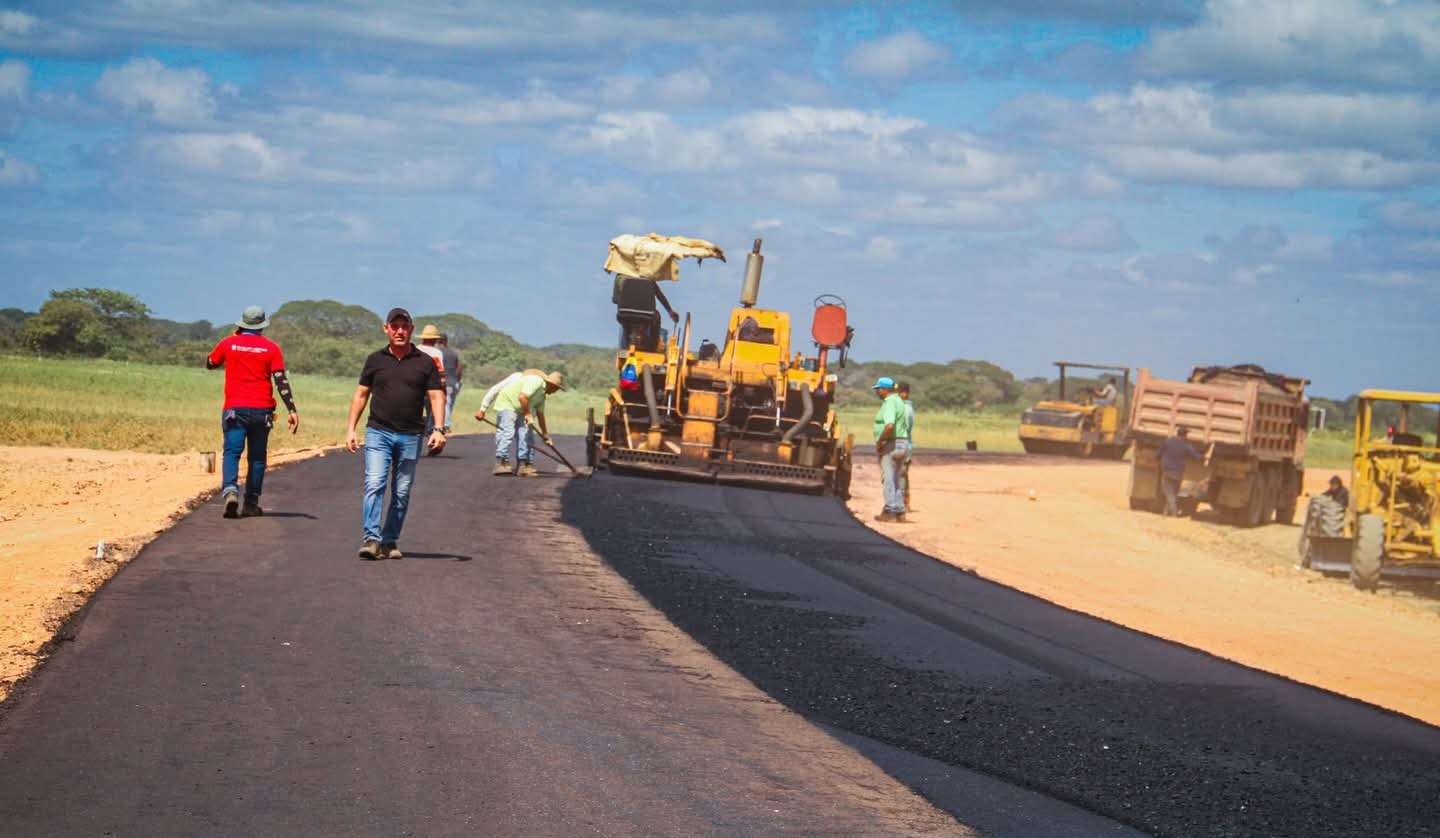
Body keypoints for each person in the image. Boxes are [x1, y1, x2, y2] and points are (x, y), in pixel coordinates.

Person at [345, 308, 446, 560]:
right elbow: (360, 395)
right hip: (378, 431)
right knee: (375, 483)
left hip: (411, 435)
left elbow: (436, 395)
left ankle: (389, 540)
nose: (399, 331)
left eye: (404, 326)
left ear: (411, 330)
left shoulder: (424, 362)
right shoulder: (375, 360)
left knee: (401, 491)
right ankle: (371, 538)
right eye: (394, 326)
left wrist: (439, 428)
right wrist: (350, 429)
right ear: (386, 329)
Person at [206, 305, 299, 519]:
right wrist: (291, 409)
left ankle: (230, 490)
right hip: (262, 411)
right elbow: (281, 381)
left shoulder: (228, 343)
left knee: (232, 452)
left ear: (241, 323)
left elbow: (210, 363)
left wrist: (233, 339)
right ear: (262, 326)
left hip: (234, 410)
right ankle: (251, 503)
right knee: (257, 458)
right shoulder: (272, 348)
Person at [477, 369, 565, 477]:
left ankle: (522, 464)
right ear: (553, 385)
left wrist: (545, 435)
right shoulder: (536, 381)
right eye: (556, 389)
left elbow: (540, 414)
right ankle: (501, 461)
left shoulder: (542, 395)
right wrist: (528, 415)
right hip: (507, 403)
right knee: (508, 432)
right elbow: (522, 397)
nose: (555, 391)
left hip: (520, 409)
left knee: (525, 433)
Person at [871, 376, 911, 523]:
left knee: (888, 479)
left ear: (884, 390)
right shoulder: (900, 401)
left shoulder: (889, 403)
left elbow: (889, 426)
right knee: (897, 478)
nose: (877, 392)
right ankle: (900, 512)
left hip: (891, 444)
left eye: (878, 389)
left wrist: (880, 441)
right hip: (903, 443)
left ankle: (889, 511)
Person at [1158, 426, 1203, 517]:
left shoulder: (1168, 441)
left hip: (1167, 471)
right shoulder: (1186, 446)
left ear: (1177, 433)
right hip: (1178, 474)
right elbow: (1196, 457)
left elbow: (1159, 453)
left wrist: (1158, 459)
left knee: (1169, 493)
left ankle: (1173, 512)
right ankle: (1167, 512)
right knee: (1173, 493)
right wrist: (1204, 457)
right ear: (1185, 435)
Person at [416, 324, 448, 438]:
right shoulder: (437, 353)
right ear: (435, 339)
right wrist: (443, 390)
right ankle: (431, 435)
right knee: (433, 413)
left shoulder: (415, 349)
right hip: (431, 388)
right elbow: (441, 373)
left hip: (416, 387)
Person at [437, 333, 463, 434]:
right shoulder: (454, 353)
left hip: (444, 382)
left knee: (445, 404)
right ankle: (446, 423)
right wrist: (458, 381)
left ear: (438, 341)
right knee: (450, 405)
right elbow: (459, 368)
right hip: (454, 383)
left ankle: (446, 425)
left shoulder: (438, 352)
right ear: (446, 341)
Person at [897, 381, 915, 513]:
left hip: (901, 445)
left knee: (900, 475)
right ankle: (905, 502)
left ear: (904, 393)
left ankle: (902, 503)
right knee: (903, 475)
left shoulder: (905, 409)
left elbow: (904, 428)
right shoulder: (905, 407)